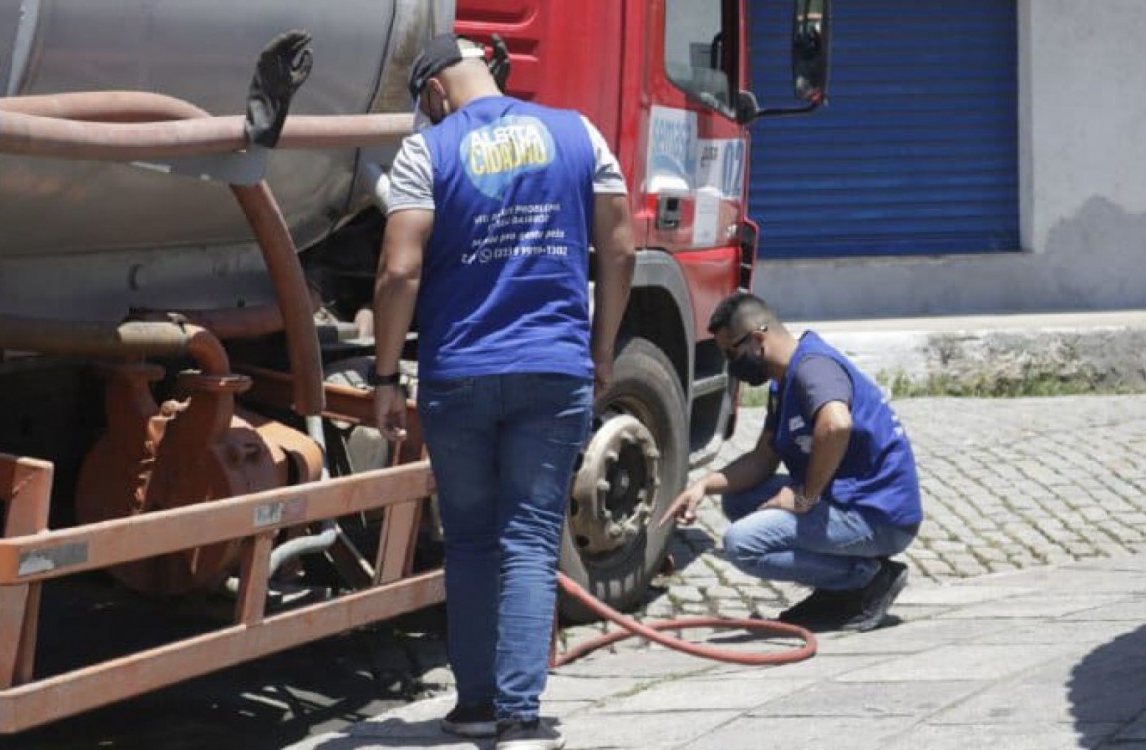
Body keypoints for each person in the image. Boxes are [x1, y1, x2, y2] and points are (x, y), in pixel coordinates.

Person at [369, 33, 635, 750]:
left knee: (470, 541)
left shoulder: (426, 152)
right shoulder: (579, 134)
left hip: (459, 372)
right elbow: (620, 250)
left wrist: (386, 376)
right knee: (530, 538)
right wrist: (601, 348)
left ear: (433, 92)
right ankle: (521, 718)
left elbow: (399, 272)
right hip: (554, 368)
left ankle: (477, 705)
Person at [662, 292, 922, 632]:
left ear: (758, 340)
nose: (730, 364)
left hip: (879, 516)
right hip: (846, 501)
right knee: (739, 499)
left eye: (732, 353)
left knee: (742, 544)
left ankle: (865, 578)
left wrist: (804, 496)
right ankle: (837, 580)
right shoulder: (783, 383)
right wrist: (702, 486)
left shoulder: (814, 369)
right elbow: (762, 460)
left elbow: (836, 424)